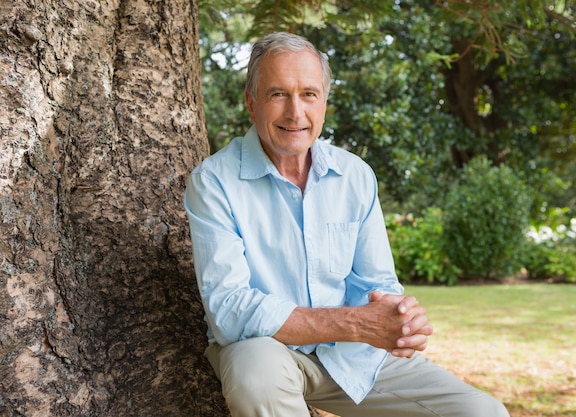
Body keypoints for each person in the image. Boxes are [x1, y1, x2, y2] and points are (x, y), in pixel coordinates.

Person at [185, 32, 510, 417]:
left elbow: (377, 284)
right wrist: (354, 323)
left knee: (482, 413)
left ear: (324, 103)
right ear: (251, 103)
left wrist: (399, 317)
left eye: (308, 94)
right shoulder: (214, 181)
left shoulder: (355, 175)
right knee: (257, 374)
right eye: (278, 94)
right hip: (265, 351)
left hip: (351, 358)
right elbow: (229, 309)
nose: (295, 112)